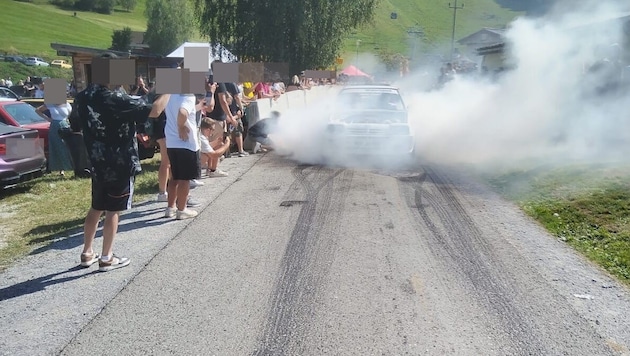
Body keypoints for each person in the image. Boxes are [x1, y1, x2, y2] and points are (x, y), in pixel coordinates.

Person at [70, 80, 154, 272]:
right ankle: (107, 257)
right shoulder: (115, 97)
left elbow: (74, 123)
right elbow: (153, 110)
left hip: (97, 161)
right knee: (113, 210)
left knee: (96, 207)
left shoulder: (82, 96)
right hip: (120, 162)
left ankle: (87, 252)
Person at [163, 93, 202, 220]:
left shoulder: (170, 96)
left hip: (171, 141)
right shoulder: (188, 96)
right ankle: (182, 209)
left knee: (174, 176)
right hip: (186, 143)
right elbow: (182, 112)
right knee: (185, 179)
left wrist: (198, 107)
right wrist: (181, 126)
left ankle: (171, 207)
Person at [35, 101, 74, 176]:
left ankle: (69, 166)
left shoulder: (67, 104)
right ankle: (60, 169)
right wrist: (48, 119)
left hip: (65, 126)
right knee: (56, 146)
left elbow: (69, 115)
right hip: (54, 127)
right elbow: (37, 110)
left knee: (65, 146)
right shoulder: (50, 104)